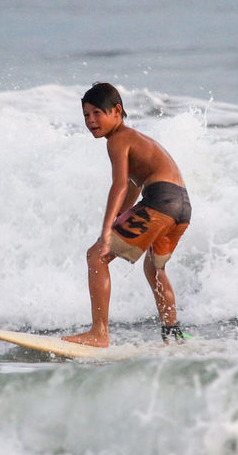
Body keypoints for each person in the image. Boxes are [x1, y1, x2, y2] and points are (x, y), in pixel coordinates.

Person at [63, 83, 192, 347]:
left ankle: (99, 333)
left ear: (117, 110)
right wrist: (121, 216)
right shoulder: (138, 140)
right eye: (86, 115)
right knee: (154, 268)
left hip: (161, 200)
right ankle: (173, 334)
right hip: (181, 206)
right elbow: (134, 185)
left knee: (96, 256)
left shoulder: (118, 139)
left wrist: (107, 231)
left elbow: (120, 184)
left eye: (97, 113)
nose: (90, 121)